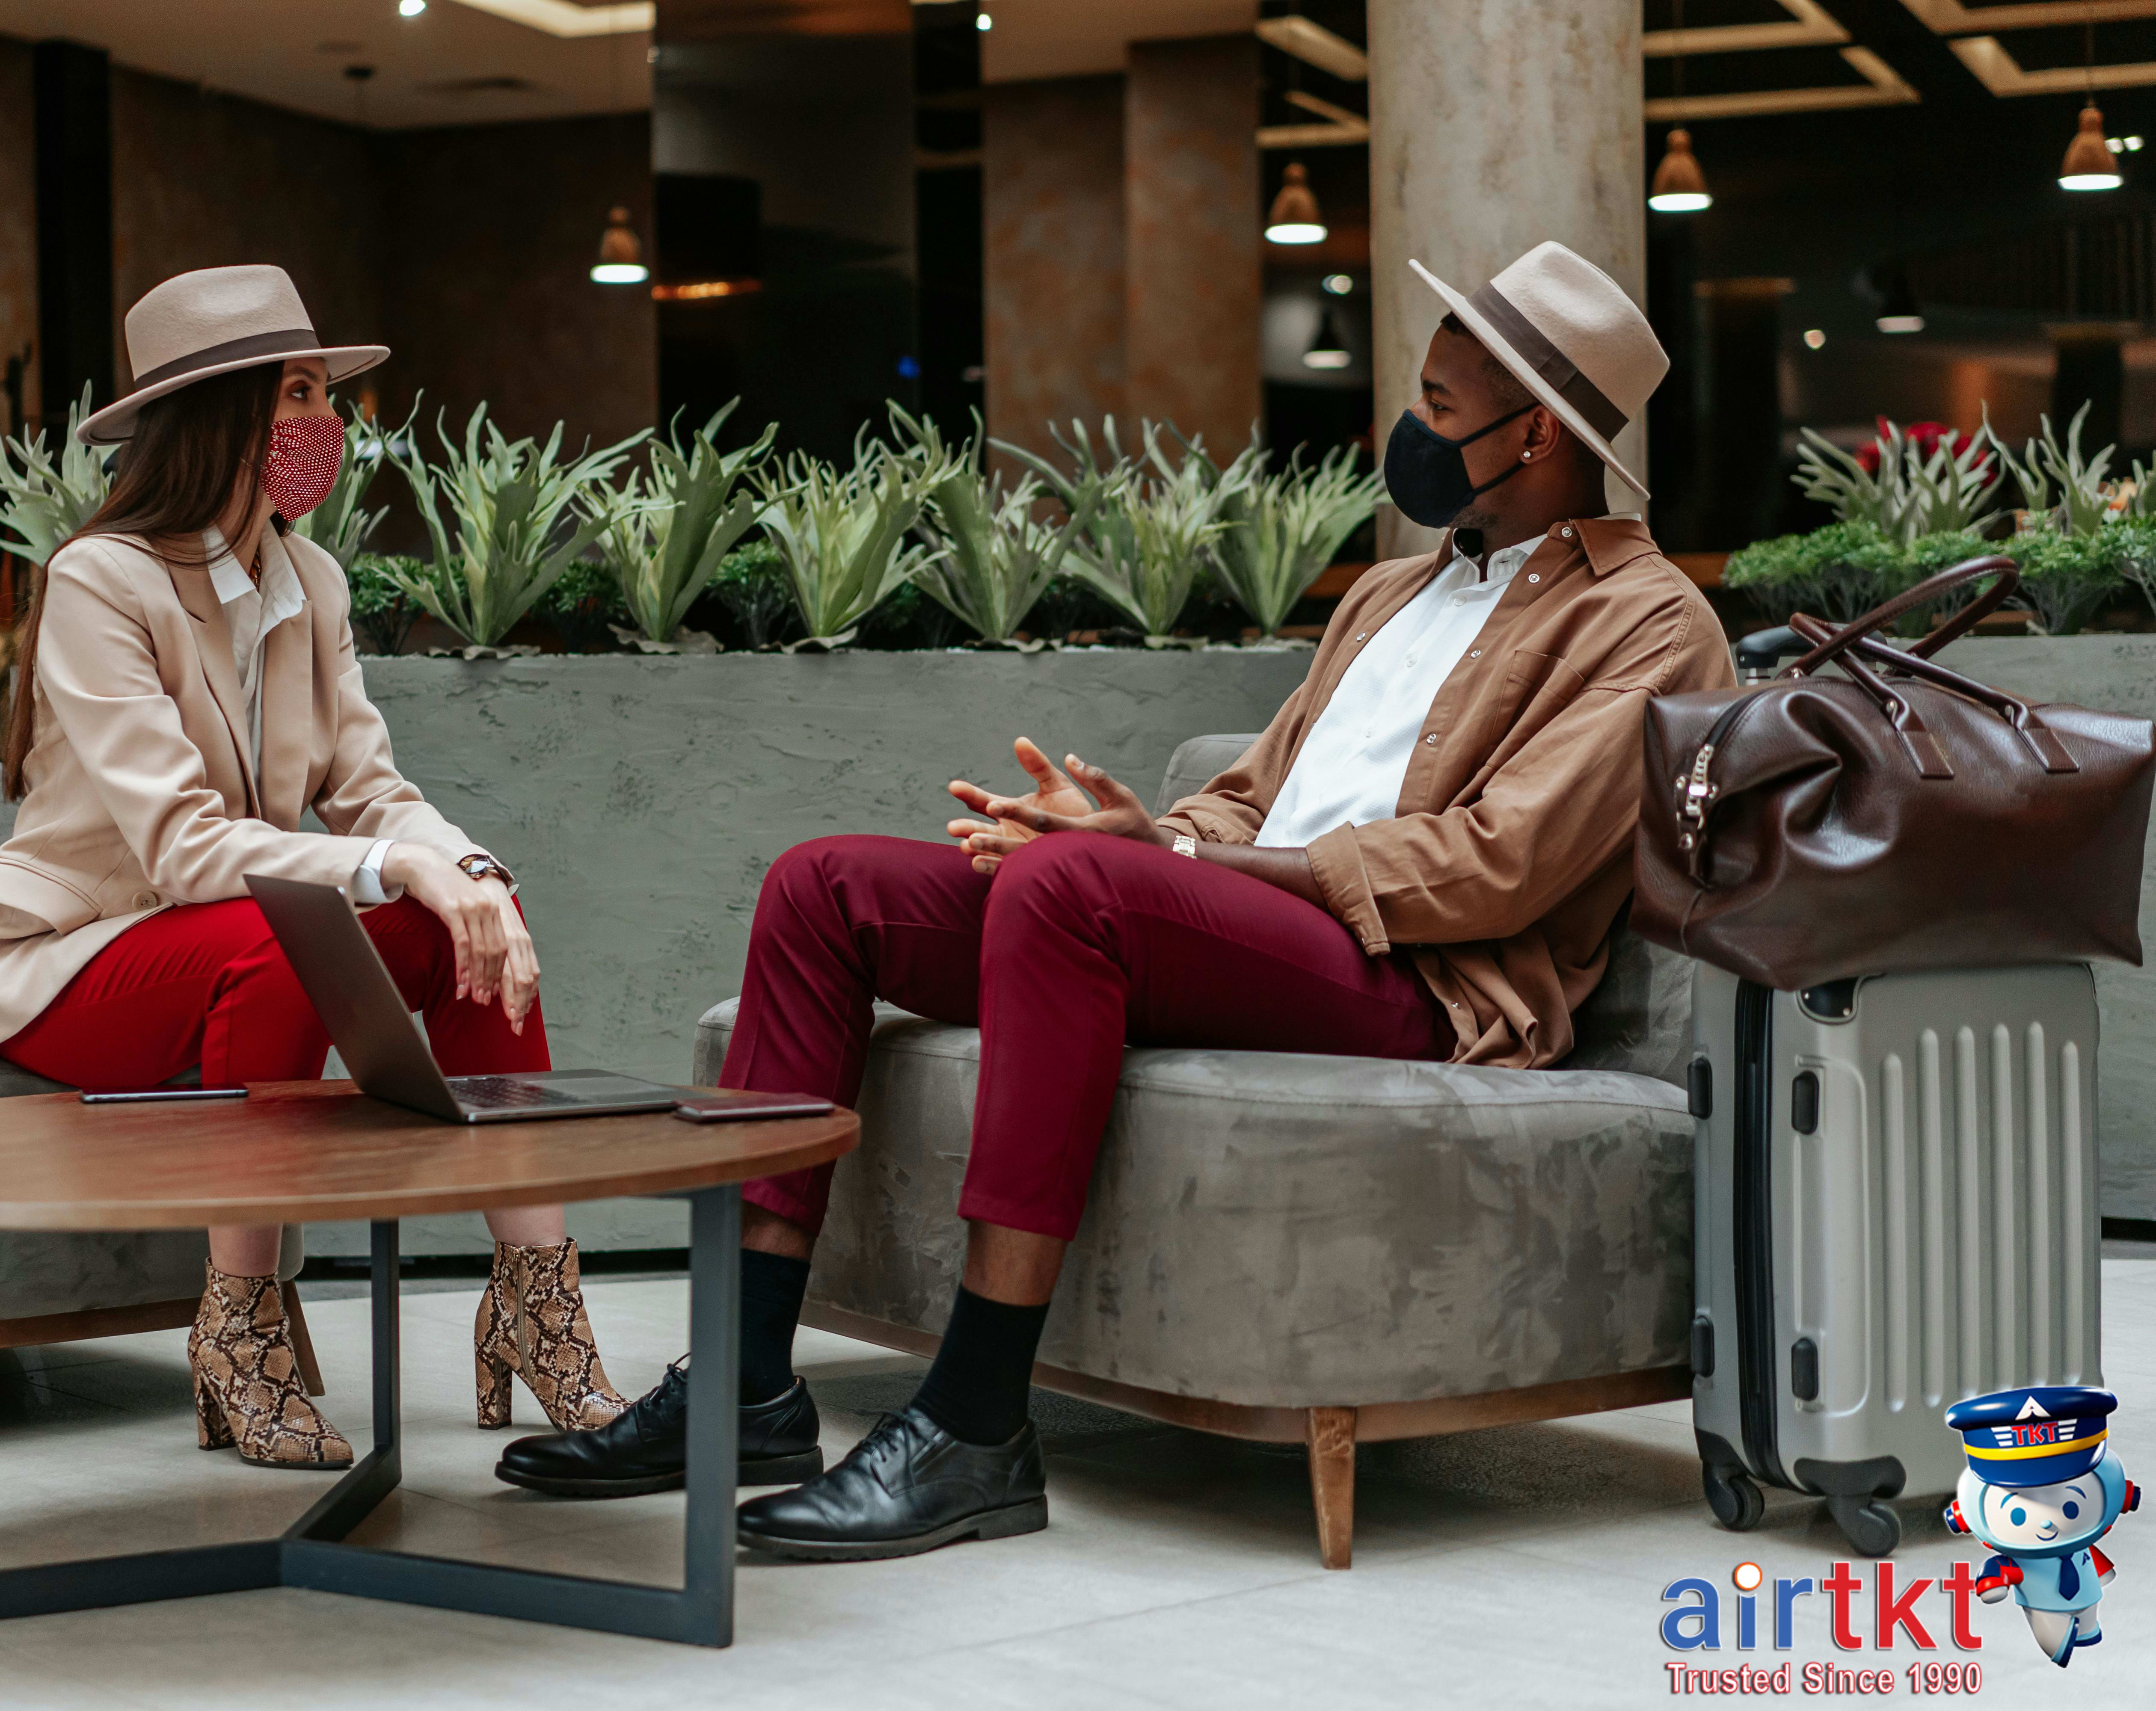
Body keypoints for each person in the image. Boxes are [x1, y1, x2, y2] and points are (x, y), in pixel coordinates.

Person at [494, 240, 1735, 1559]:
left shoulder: (1652, 624)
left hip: (1415, 982)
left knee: (1075, 892)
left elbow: (1501, 864)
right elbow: (1254, 793)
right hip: (1266, 931)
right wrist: (1147, 834)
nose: (1408, 431)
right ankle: (744, 1386)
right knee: (829, 887)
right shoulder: (1391, 591)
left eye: (1437, 406)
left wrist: (1176, 869)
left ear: (1533, 432)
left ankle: (974, 1428)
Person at [0, 265, 630, 1472]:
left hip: (231, 941)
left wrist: (461, 870)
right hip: (74, 963)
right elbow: (185, 849)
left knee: (467, 916)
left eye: (326, 394)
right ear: (222, 419)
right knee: (285, 928)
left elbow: (372, 786)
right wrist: (387, 867)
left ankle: (536, 1300)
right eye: (298, 394)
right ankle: (237, 1328)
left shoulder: (312, 580)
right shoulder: (103, 581)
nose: (328, 425)